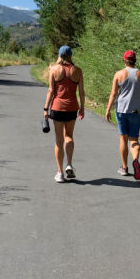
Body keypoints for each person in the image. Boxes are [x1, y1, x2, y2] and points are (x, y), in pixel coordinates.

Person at [105, 50, 140, 180]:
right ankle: (135, 160)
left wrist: (108, 109)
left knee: (123, 139)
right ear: (135, 60)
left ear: (124, 60)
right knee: (134, 140)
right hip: (136, 111)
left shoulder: (119, 74)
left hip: (121, 110)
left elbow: (113, 93)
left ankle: (124, 167)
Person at [44, 45, 85, 183]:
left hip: (57, 107)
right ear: (71, 55)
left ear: (60, 55)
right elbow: (82, 92)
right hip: (72, 107)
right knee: (69, 136)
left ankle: (60, 173)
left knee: (58, 140)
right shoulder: (78, 71)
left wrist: (45, 109)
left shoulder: (54, 69)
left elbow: (51, 90)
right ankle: (69, 164)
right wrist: (82, 108)